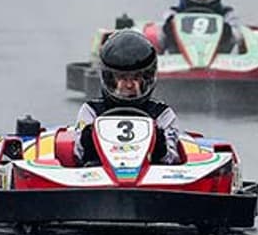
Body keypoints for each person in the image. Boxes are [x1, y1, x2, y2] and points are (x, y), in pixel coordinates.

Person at [73, 30, 181, 166]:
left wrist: (159, 144)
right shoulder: (91, 111)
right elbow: (78, 153)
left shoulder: (162, 114)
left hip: (151, 175)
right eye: (122, 78)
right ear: (110, 78)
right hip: (98, 172)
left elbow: (172, 158)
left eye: (135, 77)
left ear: (146, 78)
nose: (129, 85)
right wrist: (88, 138)